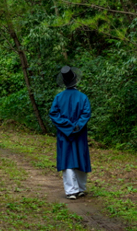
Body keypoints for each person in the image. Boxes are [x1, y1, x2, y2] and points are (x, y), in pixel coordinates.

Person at [49, 65, 91, 200]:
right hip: (79, 133)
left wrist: (67, 126)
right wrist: (77, 126)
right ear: (75, 80)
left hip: (64, 134)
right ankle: (81, 188)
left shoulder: (58, 97)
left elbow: (54, 114)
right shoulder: (83, 97)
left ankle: (71, 190)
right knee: (80, 158)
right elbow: (86, 113)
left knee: (67, 159)